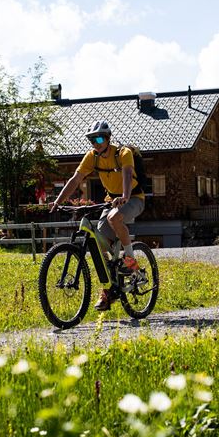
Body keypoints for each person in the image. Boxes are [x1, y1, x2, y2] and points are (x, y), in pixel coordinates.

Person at [49, 120, 145, 310]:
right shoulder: (92, 157)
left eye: (99, 138)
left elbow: (127, 174)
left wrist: (125, 196)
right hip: (111, 200)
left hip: (134, 198)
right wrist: (58, 201)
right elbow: (75, 179)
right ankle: (110, 290)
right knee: (99, 245)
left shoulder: (123, 153)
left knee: (114, 218)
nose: (96, 143)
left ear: (108, 138)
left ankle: (130, 262)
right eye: (92, 140)